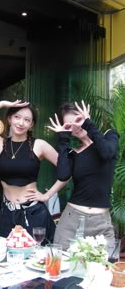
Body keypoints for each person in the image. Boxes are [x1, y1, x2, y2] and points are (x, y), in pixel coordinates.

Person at [0, 100, 67, 240]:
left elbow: (67, 170)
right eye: (17, 117)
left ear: (31, 124)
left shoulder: (39, 145)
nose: (21, 123)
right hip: (7, 214)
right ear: (9, 118)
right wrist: (2, 104)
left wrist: (48, 195)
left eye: (27, 120)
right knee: (7, 257)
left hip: (33, 213)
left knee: (36, 259)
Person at [47, 100, 119, 252]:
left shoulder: (109, 136)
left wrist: (88, 124)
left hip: (101, 223)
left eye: (78, 119)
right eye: (69, 125)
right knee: (63, 268)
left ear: (86, 116)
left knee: (104, 268)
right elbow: (63, 174)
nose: (76, 126)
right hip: (72, 220)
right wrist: (63, 138)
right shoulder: (73, 153)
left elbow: (106, 153)